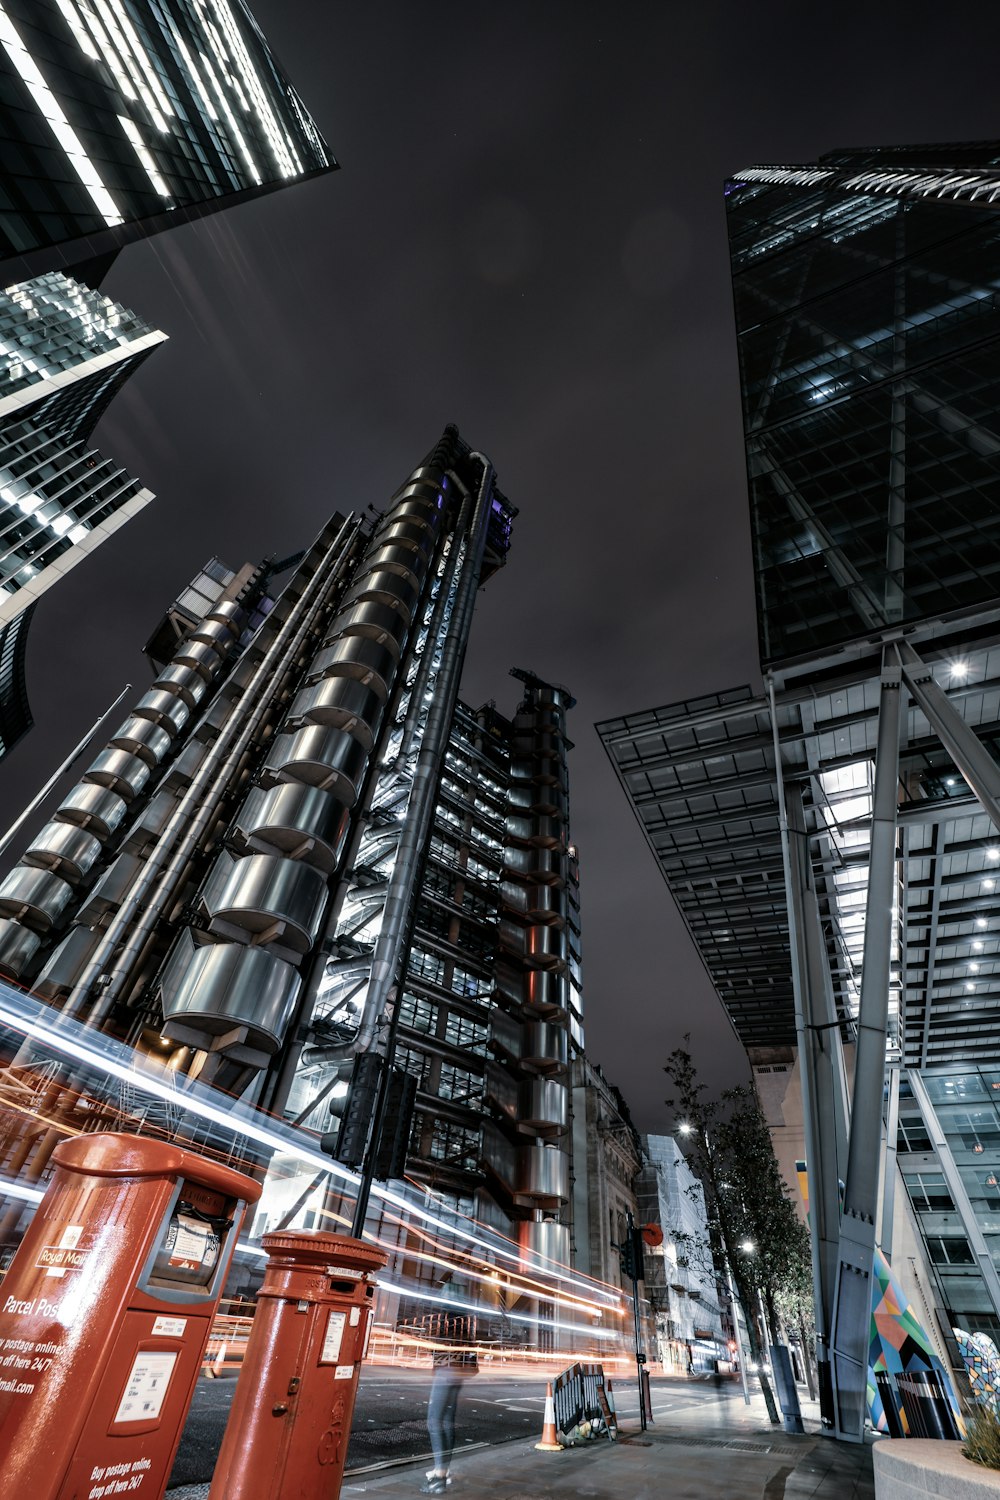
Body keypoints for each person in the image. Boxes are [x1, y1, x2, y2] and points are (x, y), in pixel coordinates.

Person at [421, 1316, 478, 1495]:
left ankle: (439, 1476)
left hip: (445, 1372)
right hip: (457, 1374)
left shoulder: (446, 1320)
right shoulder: (466, 1326)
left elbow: (438, 1348)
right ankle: (442, 1470)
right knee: (446, 1423)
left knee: (434, 1422)